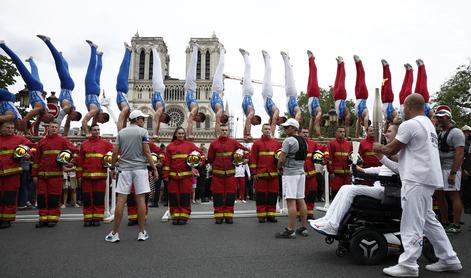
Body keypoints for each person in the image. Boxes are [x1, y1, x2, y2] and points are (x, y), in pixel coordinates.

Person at [374, 93, 462, 277]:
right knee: (429, 221)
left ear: (408, 106)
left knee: (411, 222)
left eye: (403, 107)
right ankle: (449, 258)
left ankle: (408, 265)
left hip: (416, 179)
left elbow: (391, 149)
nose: (402, 110)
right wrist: (385, 154)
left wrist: (379, 148)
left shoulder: (410, 124)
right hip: (426, 178)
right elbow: (406, 154)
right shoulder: (428, 125)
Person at [311, 124, 400, 236]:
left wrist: (381, 157)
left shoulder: (400, 151)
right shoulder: (391, 149)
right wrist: (363, 171)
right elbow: (382, 168)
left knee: (350, 190)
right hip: (380, 186)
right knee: (344, 188)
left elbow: (398, 170)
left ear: (397, 134)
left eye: (389, 131)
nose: (386, 133)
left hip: (387, 190)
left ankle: (333, 226)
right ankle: (327, 219)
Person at [106, 110, 158, 242]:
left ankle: (114, 233)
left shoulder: (121, 132)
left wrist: (112, 167)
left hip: (124, 169)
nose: (144, 121)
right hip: (140, 169)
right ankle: (141, 232)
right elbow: (147, 152)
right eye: (142, 119)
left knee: (121, 200)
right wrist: (154, 168)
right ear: (138, 119)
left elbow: (115, 152)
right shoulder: (143, 132)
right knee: (140, 200)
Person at [0, 41, 54, 132]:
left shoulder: (42, 112)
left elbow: (36, 126)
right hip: (33, 87)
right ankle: (3, 45)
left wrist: (35, 136)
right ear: (48, 116)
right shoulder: (39, 109)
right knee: (19, 65)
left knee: (35, 71)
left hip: (39, 88)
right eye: (45, 120)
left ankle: (31, 60)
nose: (42, 121)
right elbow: (26, 118)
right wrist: (24, 131)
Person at [32, 121, 77, 228]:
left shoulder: (63, 141)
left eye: (56, 127)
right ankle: (43, 219)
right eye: (52, 127)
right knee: (42, 198)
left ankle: (53, 219)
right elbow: (36, 160)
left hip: (55, 176)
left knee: (53, 198)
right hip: (42, 176)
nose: (54, 129)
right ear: (48, 128)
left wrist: (72, 162)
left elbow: (75, 151)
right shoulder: (42, 142)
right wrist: (34, 175)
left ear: (58, 129)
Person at [37, 35, 81, 135]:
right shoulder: (68, 109)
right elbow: (60, 117)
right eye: (73, 118)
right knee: (59, 66)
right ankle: (48, 41)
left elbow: (67, 125)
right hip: (67, 85)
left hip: (67, 86)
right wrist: (55, 129)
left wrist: (65, 135)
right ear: (75, 114)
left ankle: (61, 56)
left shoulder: (70, 110)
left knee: (64, 67)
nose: (71, 119)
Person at [275, 118, 308, 238]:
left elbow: (282, 159)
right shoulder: (304, 141)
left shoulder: (288, 140)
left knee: (291, 201)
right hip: (301, 173)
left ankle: (290, 230)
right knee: (301, 199)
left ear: (294, 128)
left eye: (287, 127)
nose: (285, 129)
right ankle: (303, 228)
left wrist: (279, 167)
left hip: (290, 174)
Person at [434, 106, 465, 234]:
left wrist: (453, 173)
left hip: (451, 168)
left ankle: (456, 224)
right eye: (437, 117)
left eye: (441, 117)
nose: (439, 120)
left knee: (453, 195)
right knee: (439, 195)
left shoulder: (456, 132)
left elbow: (459, 154)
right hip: (440, 168)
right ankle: (445, 221)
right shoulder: (441, 133)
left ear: (447, 117)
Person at [162, 127, 203, 224]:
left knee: (185, 197)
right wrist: (166, 175)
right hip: (173, 178)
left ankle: (184, 216)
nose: (181, 135)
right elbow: (167, 163)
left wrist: (200, 161)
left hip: (186, 178)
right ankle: (175, 216)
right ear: (175, 134)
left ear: (184, 135)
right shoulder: (170, 147)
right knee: (174, 197)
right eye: (179, 133)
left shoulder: (190, 145)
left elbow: (201, 154)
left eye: (182, 133)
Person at [207, 124, 247, 224]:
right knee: (218, 195)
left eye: (226, 130)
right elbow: (210, 158)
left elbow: (244, 150)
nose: (224, 132)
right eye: (222, 130)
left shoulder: (233, 142)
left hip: (230, 175)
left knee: (230, 195)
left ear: (228, 131)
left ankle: (229, 215)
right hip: (217, 175)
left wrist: (244, 158)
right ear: (219, 131)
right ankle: (218, 215)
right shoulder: (214, 144)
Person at [76, 124, 113, 227]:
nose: (97, 131)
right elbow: (80, 161)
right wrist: (79, 175)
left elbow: (114, 154)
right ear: (91, 131)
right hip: (86, 177)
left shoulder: (106, 144)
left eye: (98, 129)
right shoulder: (84, 144)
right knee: (87, 198)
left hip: (100, 177)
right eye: (95, 130)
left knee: (98, 198)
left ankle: (97, 218)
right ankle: (87, 218)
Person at [0, 121, 33, 228]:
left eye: (12, 127)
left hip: (13, 173)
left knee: (9, 197)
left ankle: (7, 219)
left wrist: (29, 155)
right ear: (1, 129)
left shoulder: (20, 139)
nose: (10, 129)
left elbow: (32, 147)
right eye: (7, 127)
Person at [250, 123, 281, 222]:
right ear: (262, 131)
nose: (267, 130)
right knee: (261, 196)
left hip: (273, 174)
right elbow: (253, 159)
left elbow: (280, 158)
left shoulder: (276, 143)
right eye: (265, 129)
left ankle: (271, 215)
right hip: (261, 174)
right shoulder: (257, 144)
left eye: (269, 129)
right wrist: (253, 173)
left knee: (273, 195)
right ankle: (261, 215)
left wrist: (280, 168)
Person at [81, 40, 109, 136]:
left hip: (96, 91)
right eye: (102, 122)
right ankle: (93, 48)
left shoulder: (97, 112)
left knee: (97, 73)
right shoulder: (95, 111)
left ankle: (99, 56)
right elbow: (84, 121)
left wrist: (92, 133)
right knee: (91, 69)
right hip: (91, 90)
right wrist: (87, 133)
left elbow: (93, 125)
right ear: (102, 116)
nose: (100, 123)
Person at [300, 128, 325, 219]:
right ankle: (300, 213)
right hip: (300, 174)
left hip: (311, 174)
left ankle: (309, 213)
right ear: (300, 133)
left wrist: (325, 159)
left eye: (307, 132)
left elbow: (323, 149)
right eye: (303, 132)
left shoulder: (313, 144)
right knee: (301, 195)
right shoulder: (296, 143)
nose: (305, 134)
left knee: (311, 193)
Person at [261, 50, 286, 137]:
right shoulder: (276, 111)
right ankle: (267, 58)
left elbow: (270, 122)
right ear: (281, 119)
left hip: (264, 95)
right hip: (268, 94)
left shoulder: (272, 115)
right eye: (279, 123)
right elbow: (274, 120)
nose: (277, 124)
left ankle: (266, 58)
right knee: (267, 74)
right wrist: (272, 134)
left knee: (266, 75)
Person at [184, 41, 206, 138]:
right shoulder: (195, 109)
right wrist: (189, 134)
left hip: (189, 87)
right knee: (192, 66)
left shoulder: (194, 109)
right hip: (191, 87)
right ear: (199, 116)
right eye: (197, 120)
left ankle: (195, 48)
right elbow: (190, 118)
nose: (195, 121)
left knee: (192, 68)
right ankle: (196, 48)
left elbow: (190, 119)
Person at [239, 48, 261, 141]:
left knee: (247, 73)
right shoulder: (252, 112)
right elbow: (248, 120)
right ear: (256, 118)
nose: (253, 124)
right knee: (247, 71)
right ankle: (246, 55)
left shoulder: (248, 114)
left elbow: (247, 122)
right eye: (255, 123)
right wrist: (248, 134)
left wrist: (244, 134)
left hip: (245, 92)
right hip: (248, 92)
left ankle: (246, 56)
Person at [326, 126, 352, 197]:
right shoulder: (331, 144)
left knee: (346, 195)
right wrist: (331, 172)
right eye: (340, 132)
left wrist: (351, 173)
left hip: (346, 175)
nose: (342, 133)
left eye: (343, 132)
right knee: (336, 194)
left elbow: (351, 159)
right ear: (336, 133)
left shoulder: (349, 144)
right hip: (336, 175)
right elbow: (329, 159)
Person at [151, 47, 170, 138]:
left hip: (157, 88)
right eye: (162, 120)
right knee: (157, 68)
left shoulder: (160, 110)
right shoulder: (160, 109)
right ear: (164, 116)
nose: (160, 120)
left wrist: (156, 134)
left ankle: (154, 50)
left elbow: (157, 121)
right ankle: (154, 49)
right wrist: (154, 134)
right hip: (158, 88)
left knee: (157, 69)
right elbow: (156, 120)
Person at [210, 45, 228, 137]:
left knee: (219, 68)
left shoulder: (219, 111)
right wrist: (218, 133)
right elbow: (217, 121)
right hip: (217, 89)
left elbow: (217, 121)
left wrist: (218, 133)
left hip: (215, 89)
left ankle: (222, 51)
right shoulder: (220, 110)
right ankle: (222, 51)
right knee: (220, 68)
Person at [281, 51, 302, 124]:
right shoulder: (296, 111)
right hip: (292, 93)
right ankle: (286, 59)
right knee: (289, 75)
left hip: (289, 94)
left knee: (288, 75)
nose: (298, 119)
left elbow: (297, 116)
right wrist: (296, 123)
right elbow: (298, 113)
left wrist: (294, 123)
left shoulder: (292, 113)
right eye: (299, 120)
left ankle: (286, 59)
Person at [116, 42, 133, 131]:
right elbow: (123, 120)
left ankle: (128, 51)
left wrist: (120, 133)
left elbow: (121, 118)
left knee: (124, 69)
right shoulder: (127, 109)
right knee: (124, 69)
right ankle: (128, 51)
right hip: (122, 89)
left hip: (122, 91)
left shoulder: (126, 110)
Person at [333, 56, 352, 136]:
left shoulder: (340, 117)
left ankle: (339, 64)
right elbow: (346, 126)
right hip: (341, 96)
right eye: (347, 121)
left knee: (337, 79)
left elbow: (338, 126)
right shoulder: (347, 114)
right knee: (342, 79)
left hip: (336, 97)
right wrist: (347, 136)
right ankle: (343, 64)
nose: (346, 122)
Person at [307, 50, 322, 138]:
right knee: (312, 74)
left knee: (312, 74)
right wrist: (317, 135)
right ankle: (311, 59)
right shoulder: (317, 112)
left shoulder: (316, 114)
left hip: (311, 94)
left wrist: (312, 135)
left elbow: (314, 123)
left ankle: (311, 59)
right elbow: (315, 122)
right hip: (313, 95)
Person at [353, 55, 369, 138]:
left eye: (361, 124)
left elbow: (357, 127)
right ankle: (359, 62)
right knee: (362, 77)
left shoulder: (359, 118)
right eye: (363, 124)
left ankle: (356, 63)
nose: (361, 124)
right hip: (363, 95)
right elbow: (366, 122)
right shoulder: (365, 114)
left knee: (357, 78)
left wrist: (356, 136)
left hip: (357, 96)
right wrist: (367, 132)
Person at [381, 59, 398, 129]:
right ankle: (387, 66)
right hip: (389, 99)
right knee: (388, 81)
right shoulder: (393, 114)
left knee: (384, 82)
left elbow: (384, 129)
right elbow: (396, 118)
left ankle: (384, 68)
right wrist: (393, 123)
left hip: (383, 100)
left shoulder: (387, 120)